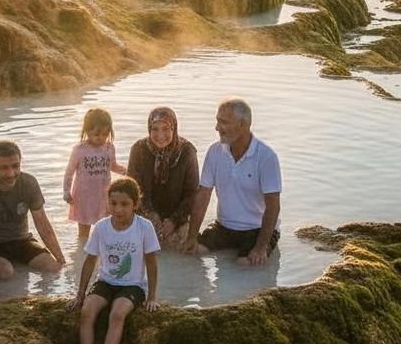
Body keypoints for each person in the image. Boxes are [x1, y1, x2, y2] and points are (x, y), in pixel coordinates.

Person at [182, 98, 282, 266]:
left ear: (243, 124)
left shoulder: (266, 157)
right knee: (192, 253)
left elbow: (273, 206)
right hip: (223, 227)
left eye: (223, 122)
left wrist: (261, 247)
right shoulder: (214, 152)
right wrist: (192, 236)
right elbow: (203, 195)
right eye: (217, 121)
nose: (217, 127)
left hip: (256, 230)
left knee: (244, 265)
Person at [70, 178, 159, 344]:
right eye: (113, 203)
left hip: (133, 286)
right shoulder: (101, 227)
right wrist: (80, 294)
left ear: (135, 203)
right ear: (108, 202)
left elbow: (151, 263)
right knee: (87, 311)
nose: (118, 209)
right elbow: (90, 261)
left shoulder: (144, 227)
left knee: (117, 314)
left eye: (125, 204)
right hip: (105, 282)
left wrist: (152, 297)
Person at [0, 140, 67, 279]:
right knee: (5, 272)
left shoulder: (29, 183)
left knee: (53, 268)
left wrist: (61, 260)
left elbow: (42, 223)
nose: (11, 173)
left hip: (22, 240)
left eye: (16, 166)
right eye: (4, 168)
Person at [127, 106, 198, 249]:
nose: (160, 135)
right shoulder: (138, 149)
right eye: (155, 129)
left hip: (178, 219)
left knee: (184, 253)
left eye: (166, 129)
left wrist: (173, 221)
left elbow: (192, 193)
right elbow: (132, 189)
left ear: (174, 128)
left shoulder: (187, 151)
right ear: (149, 129)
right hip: (144, 215)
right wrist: (151, 217)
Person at [63, 108, 127, 239]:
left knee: (106, 230)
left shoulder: (109, 148)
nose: (101, 138)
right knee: (83, 234)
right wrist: (66, 192)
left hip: (103, 196)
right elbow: (69, 173)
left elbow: (113, 166)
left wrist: (127, 172)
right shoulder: (79, 150)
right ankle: (82, 255)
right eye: (97, 134)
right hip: (83, 197)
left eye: (105, 134)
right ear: (87, 131)